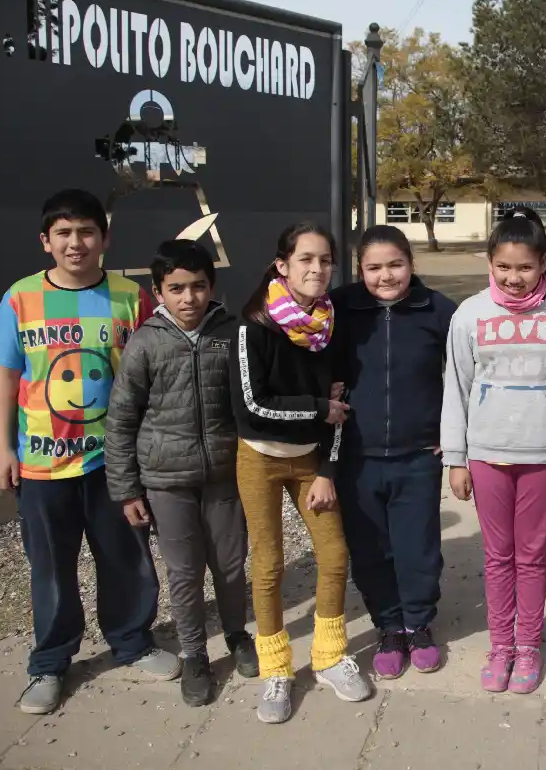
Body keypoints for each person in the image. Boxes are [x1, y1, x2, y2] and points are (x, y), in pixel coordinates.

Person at [0, 189, 181, 716]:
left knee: (127, 558)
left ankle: (133, 641)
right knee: (50, 568)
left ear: (105, 239)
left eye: (87, 232)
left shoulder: (130, 297)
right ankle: (50, 661)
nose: (77, 243)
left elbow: (150, 375)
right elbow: (5, 378)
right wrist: (2, 447)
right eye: (65, 233)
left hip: (113, 465)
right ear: (46, 241)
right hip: (42, 467)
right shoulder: (20, 298)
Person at [440, 210, 546, 694]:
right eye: (504, 266)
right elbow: (456, 388)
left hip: (543, 456)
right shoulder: (470, 314)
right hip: (487, 456)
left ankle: (528, 644)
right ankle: (500, 644)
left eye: (524, 267)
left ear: (543, 262)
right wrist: (455, 458)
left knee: (532, 554)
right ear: (490, 262)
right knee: (497, 555)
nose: (514, 277)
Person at [105, 239, 258, 707]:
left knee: (231, 567)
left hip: (224, 475)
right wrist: (126, 488)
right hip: (166, 481)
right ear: (158, 291)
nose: (187, 297)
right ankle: (194, 654)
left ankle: (236, 634)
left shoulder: (230, 333)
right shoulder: (145, 342)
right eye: (176, 288)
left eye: (197, 286)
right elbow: (122, 418)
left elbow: (250, 399)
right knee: (185, 573)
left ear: (211, 287)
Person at [230, 221, 370, 724]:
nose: (317, 269)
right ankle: (276, 671)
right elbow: (251, 409)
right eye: (306, 259)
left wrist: (328, 468)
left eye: (325, 260)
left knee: (334, 555)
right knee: (268, 564)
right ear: (282, 264)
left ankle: (330, 657)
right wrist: (317, 409)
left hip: (311, 460)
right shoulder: (253, 326)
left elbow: (339, 403)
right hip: (259, 457)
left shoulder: (330, 327)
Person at [331, 225, 456, 679]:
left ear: (411, 264)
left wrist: (453, 430)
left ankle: (418, 624)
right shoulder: (341, 308)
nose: (386, 276)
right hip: (358, 456)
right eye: (374, 267)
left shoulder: (438, 310)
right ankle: (388, 626)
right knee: (371, 548)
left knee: (417, 546)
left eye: (396, 265)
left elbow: (467, 373)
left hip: (419, 454)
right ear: (360, 269)